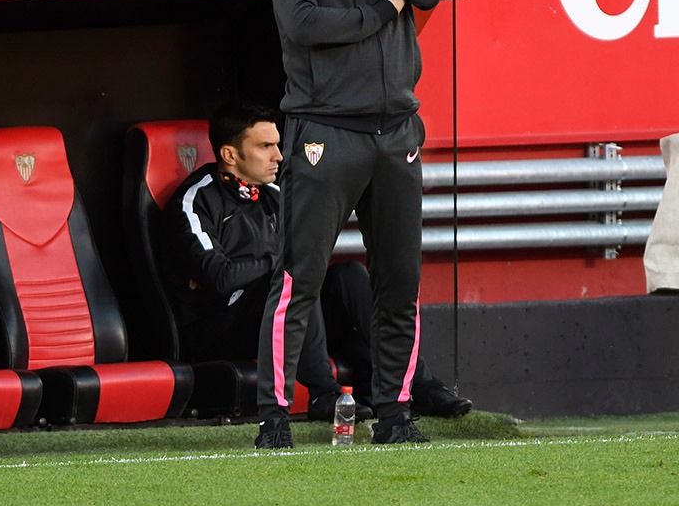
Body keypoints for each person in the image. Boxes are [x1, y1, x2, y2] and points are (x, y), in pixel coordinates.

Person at [257, 0, 447, 448]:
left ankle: (393, 413)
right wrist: (377, 12)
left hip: (397, 133)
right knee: (298, 278)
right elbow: (303, 25)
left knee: (400, 282)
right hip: (324, 132)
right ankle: (274, 417)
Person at [162, 101, 471, 426]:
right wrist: (279, 262)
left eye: (278, 146)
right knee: (292, 277)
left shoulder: (274, 194)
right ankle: (324, 393)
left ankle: (419, 384)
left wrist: (280, 263)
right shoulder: (196, 199)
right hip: (222, 326)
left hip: (279, 316)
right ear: (229, 155)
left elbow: (315, 255)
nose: (278, 156)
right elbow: (222, 277)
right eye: (265, 147)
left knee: (348, 276)